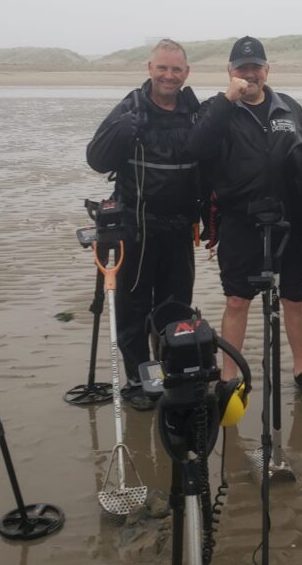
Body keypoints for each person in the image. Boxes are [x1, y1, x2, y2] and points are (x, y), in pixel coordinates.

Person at [187, 36, 302, 402]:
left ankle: (301, 369)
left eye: (256, 67)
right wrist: (226, 101)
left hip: (288, 224)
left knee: (293, 299)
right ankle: (229, 378)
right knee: (237, 300)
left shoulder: (288, 108)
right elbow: (197, 147)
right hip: (239, 222)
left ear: (267, 70)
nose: (250, 74)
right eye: (242, 68)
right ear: (230, 72)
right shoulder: (216, 110)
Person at [86, 39, 201, 411]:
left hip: (181, 229)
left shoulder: (194, 110)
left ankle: (173, 370)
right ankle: (138, 378)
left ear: (186, 73)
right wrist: (124, 130)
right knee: (133, 310)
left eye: (176, 69)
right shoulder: (130, 108)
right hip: (136, 230)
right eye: (162, 68)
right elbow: (96, 160)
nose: (169, 76)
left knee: (176, 308)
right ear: (150, 68)